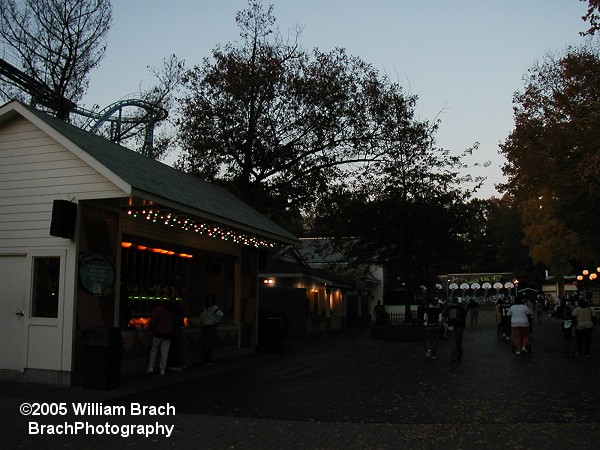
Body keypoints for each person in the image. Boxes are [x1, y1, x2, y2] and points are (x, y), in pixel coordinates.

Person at [146, 301, 174, 375]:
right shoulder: (167, 311)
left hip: (158, 332)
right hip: (168, 332)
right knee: (164, 352)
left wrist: (151, 329)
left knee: (154, 350)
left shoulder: (155, 311)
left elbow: (152, 322)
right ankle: (162, 369)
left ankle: (150, 367)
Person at [442, 297, 467, 362]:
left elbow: (444, 317)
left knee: (453, 341)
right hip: (460, 327)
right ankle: (459, 354)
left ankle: (453, 356)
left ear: (452, 301)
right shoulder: (461, 308)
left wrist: (443, 323)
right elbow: (465, 315)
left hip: (451, 326)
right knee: (459, 342)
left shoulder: (449, 308)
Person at [201, 294, 224, 365]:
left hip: (210, 326)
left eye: (211, 299)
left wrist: (215, 322)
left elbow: (221, 314)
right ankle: (207, 359)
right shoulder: (206, 308)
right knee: (206, 343)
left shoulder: (214, 307)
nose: (209, 301)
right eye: (208, 299)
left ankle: (209, 360)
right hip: (206, 326)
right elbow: (202, 316)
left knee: (209, 343)